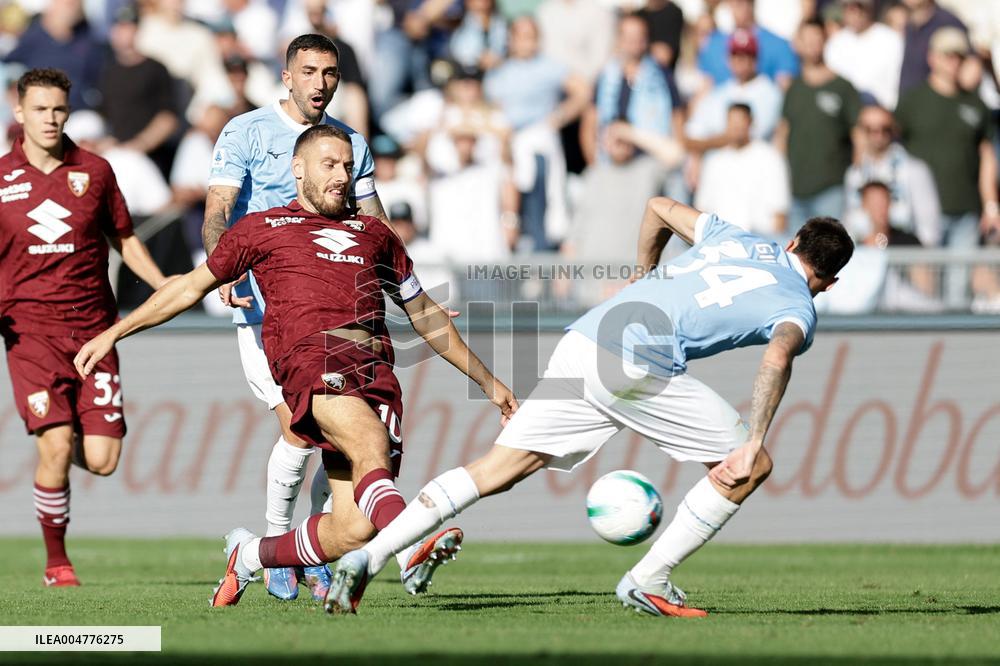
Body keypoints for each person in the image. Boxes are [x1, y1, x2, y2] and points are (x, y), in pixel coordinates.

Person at [324, 196, 855, 617]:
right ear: (829, 281)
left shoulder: (738, 238)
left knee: (498, 469)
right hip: (636, 364)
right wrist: (756, 437)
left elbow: (658, 207)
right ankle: (648, 581)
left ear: (793, 241)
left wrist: (645, 270)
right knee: (751, 465)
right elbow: (777, 359)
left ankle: (365, 558)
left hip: (586, 338)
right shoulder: (798, 304)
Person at [73, 124, 517, 608]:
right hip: (312, 366)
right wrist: (116, 330)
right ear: (298, 169)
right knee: (368, 444)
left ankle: (249, 556)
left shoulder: (376, 235)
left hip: (376, 375)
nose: (341, 176)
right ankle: (410, 547)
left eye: (348, 166)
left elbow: (425, 313)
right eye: (329, 165)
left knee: (351, 529)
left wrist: (490, 384)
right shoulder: (262, 229)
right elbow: (187, 288)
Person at [200, 33, 392, 603]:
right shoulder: (246, 132)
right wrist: (225, 269)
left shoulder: (349, 142)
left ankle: (308, 556)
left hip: (334, 311)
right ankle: (276, 546)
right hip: (265, 307)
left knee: (332, 440)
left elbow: (372, 223)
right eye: (308, 72)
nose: (320, 83)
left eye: (329, 73)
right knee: (297, 427)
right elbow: (218, 210)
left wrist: (405, 288)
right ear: (287, 76)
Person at [0, 68, 171, 587]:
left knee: (101, 460)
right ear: (19, 112)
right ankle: (57, 562)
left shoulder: (95, 171)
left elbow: (125, 239)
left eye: (59, 109)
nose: (51, 118)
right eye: (41, 109)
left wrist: (167, 286)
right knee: (53, 448)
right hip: (29, 334)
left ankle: (63, 427)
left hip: (95, 331)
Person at [895, 27, 998, 307]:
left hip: (965, 209)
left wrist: (991, 206)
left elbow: (987, 156)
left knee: (958, 288)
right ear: (932, 58)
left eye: (958, 56)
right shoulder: (913, 101)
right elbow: (895, 151)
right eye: (947, 55)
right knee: (926, 293)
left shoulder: (975, 105)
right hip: (923, 213)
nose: (953, 62)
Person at [776, 19, 861, 233]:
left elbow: (858, 135)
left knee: (827, 253)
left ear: (825, 41)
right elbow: (783, 133)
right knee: (797, 259)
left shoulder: (842, 86)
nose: (813, 44)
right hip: (795, 191)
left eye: (817, 38)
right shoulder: (794, 88)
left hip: (831, 188)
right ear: (798, 43)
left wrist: (855, 175)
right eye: (807, 39)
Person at [843, 105, 941, 246]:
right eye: (870, 129)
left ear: (894, 131)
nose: (878, 135)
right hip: (863, 257)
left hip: (904, 254)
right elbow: (850, 222)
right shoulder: (854, 174)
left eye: (885, 129)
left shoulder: (914, 170)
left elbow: (928, 227)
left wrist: (922, 261)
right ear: (859, 133)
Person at [696, 103, 789, 236]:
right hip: (720, 238)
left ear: (751, 122)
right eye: (732, 121)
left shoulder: (770, 158)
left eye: (741, 120)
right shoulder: (714, 161)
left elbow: (780, 210)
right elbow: (702, 208)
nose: (736, 126)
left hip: (759, 238)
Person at [697, 0, 799, 89]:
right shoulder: (713, 45)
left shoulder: (779, 46)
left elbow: (785, 89)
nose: (739, 7)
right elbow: (705, 88)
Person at [823, 0, 903, 109]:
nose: (854, 12)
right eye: (848, 7)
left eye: (859, 6)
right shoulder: (835, 43)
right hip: (846, 112)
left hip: (883, 111)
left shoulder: (892, 39)